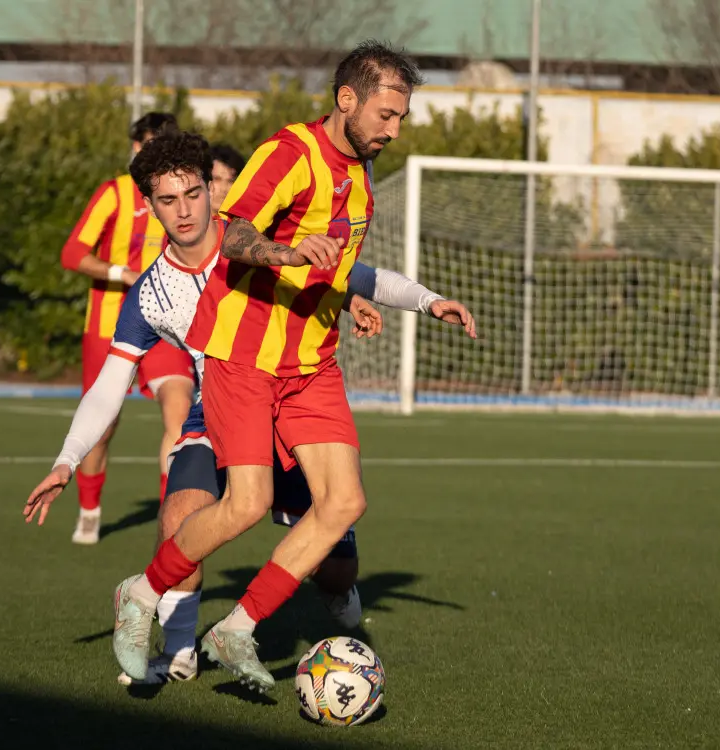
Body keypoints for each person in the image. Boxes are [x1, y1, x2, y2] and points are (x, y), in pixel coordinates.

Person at [24, 131, 476, 686]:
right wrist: (68, 459)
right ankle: (180, 648)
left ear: (212, 189)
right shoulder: (152, 293)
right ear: (149, 205)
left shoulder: (255, 244)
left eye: (195, 192)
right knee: (179, 517)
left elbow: (360, 275)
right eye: (168, 200)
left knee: (337, 565)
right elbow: (108, 385)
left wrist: (415, 300)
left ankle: (321, 590)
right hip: (217, 409)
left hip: (286, 403)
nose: (185, 210)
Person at [108, 40, 434, 690]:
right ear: (348, 99)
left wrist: (358, 297)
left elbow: (333, 262)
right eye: (387, 114)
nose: (394, 129)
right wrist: (284, 255)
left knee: (344, 503)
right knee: (247, 504)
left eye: (401, 118)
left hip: (312, 361)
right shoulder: (291, 152)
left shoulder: (362, 175)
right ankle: (142, 592)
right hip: (246, 356)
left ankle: (237, 628)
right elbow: (230, 232)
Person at [59, 112, 193, 544]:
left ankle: (170, 525)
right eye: (145, 146)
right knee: (103, 425)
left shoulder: (185, 197)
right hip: (109, 324)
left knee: (180, 412)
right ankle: (90, 510)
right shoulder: (114, 193)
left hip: (168, 325)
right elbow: (72, 253)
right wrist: (124, 273)